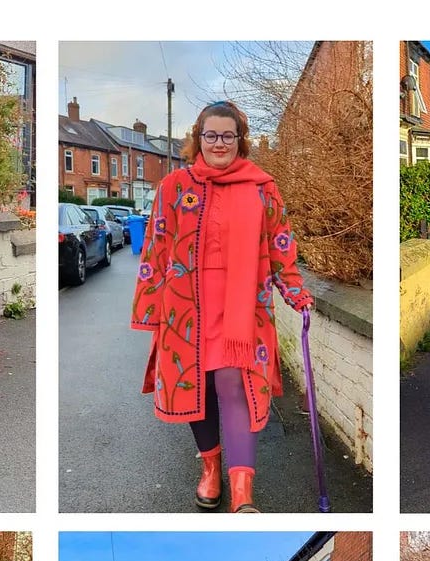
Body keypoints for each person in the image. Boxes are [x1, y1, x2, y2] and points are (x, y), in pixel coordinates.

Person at [131, 101, 314, 513]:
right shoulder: (174, 186)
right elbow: (156, 247)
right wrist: (149, 309)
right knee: (198, 388)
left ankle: (243, 488)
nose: (219, 143)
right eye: (210, 135)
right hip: (186, 306)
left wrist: (295, 290)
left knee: (234, 383)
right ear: (198, 139)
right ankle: (211, 468)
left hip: (243, 307)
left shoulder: (262, 187)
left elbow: (280, 245)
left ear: (240, 140)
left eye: (227, 135)